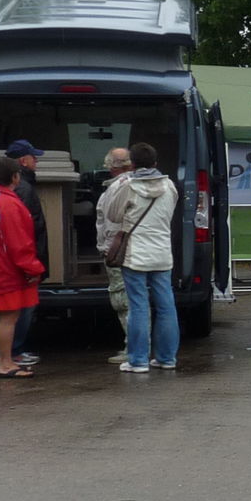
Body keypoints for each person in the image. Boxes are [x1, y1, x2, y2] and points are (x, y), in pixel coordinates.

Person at [103, 142, 180, 373]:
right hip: (162, 253)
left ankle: (138, 361)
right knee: (166, 305)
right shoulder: (169, 186)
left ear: (132, 164)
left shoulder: (128, 186)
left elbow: (113, 214)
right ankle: (167, 358)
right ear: (156, 163)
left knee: (138, 306)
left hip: (135, 254)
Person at [0, 156, 44, 378]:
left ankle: (6, 360)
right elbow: (18, 243)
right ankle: (6, 364)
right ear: (15, 176)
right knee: (9, 318)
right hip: (7, 271)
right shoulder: (8, 203)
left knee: (6, 318)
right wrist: (34, 269)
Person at [5, 138, 48, 366]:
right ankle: (16, 351)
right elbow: (25, 230)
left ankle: (13, 350)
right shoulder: (24, 188)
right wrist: (32, 263)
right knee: (23, 308)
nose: (37, 161)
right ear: (23, 160)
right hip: (24, 261)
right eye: (34, 157)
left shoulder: (18, 186)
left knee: (18, 308)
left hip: (19, 260)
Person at [93, 146, 135, 364]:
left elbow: (108, 224)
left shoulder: (114, 190)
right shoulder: (149, 184)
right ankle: (139, 346)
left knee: (122, 300)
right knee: (139, 299)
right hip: (141, 251)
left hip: (117, 252)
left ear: (110, 167)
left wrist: (105, 250)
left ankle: (133, 348)